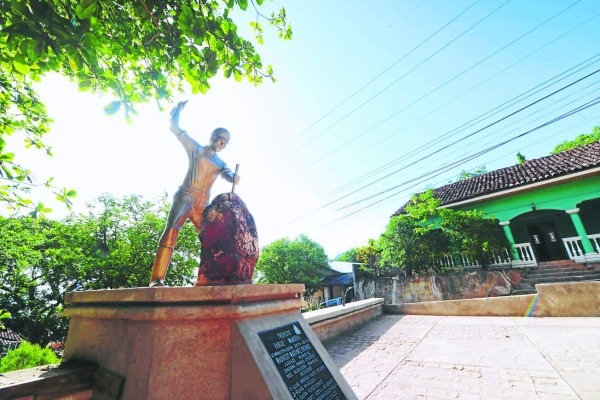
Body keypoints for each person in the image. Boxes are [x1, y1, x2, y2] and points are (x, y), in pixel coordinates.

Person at [149, 101, 240, 287]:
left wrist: (233, 178)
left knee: (212, 239)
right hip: (186, 196)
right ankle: (156, 279)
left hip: (203, 205)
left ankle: (214, 279)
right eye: (219, 139)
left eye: (225, 142)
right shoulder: (195, 148)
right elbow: (174, 127)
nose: (221, 144)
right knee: (171, 232)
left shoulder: (221, 162)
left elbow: (227, 174)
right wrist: (177, 112)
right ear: (212, 137)